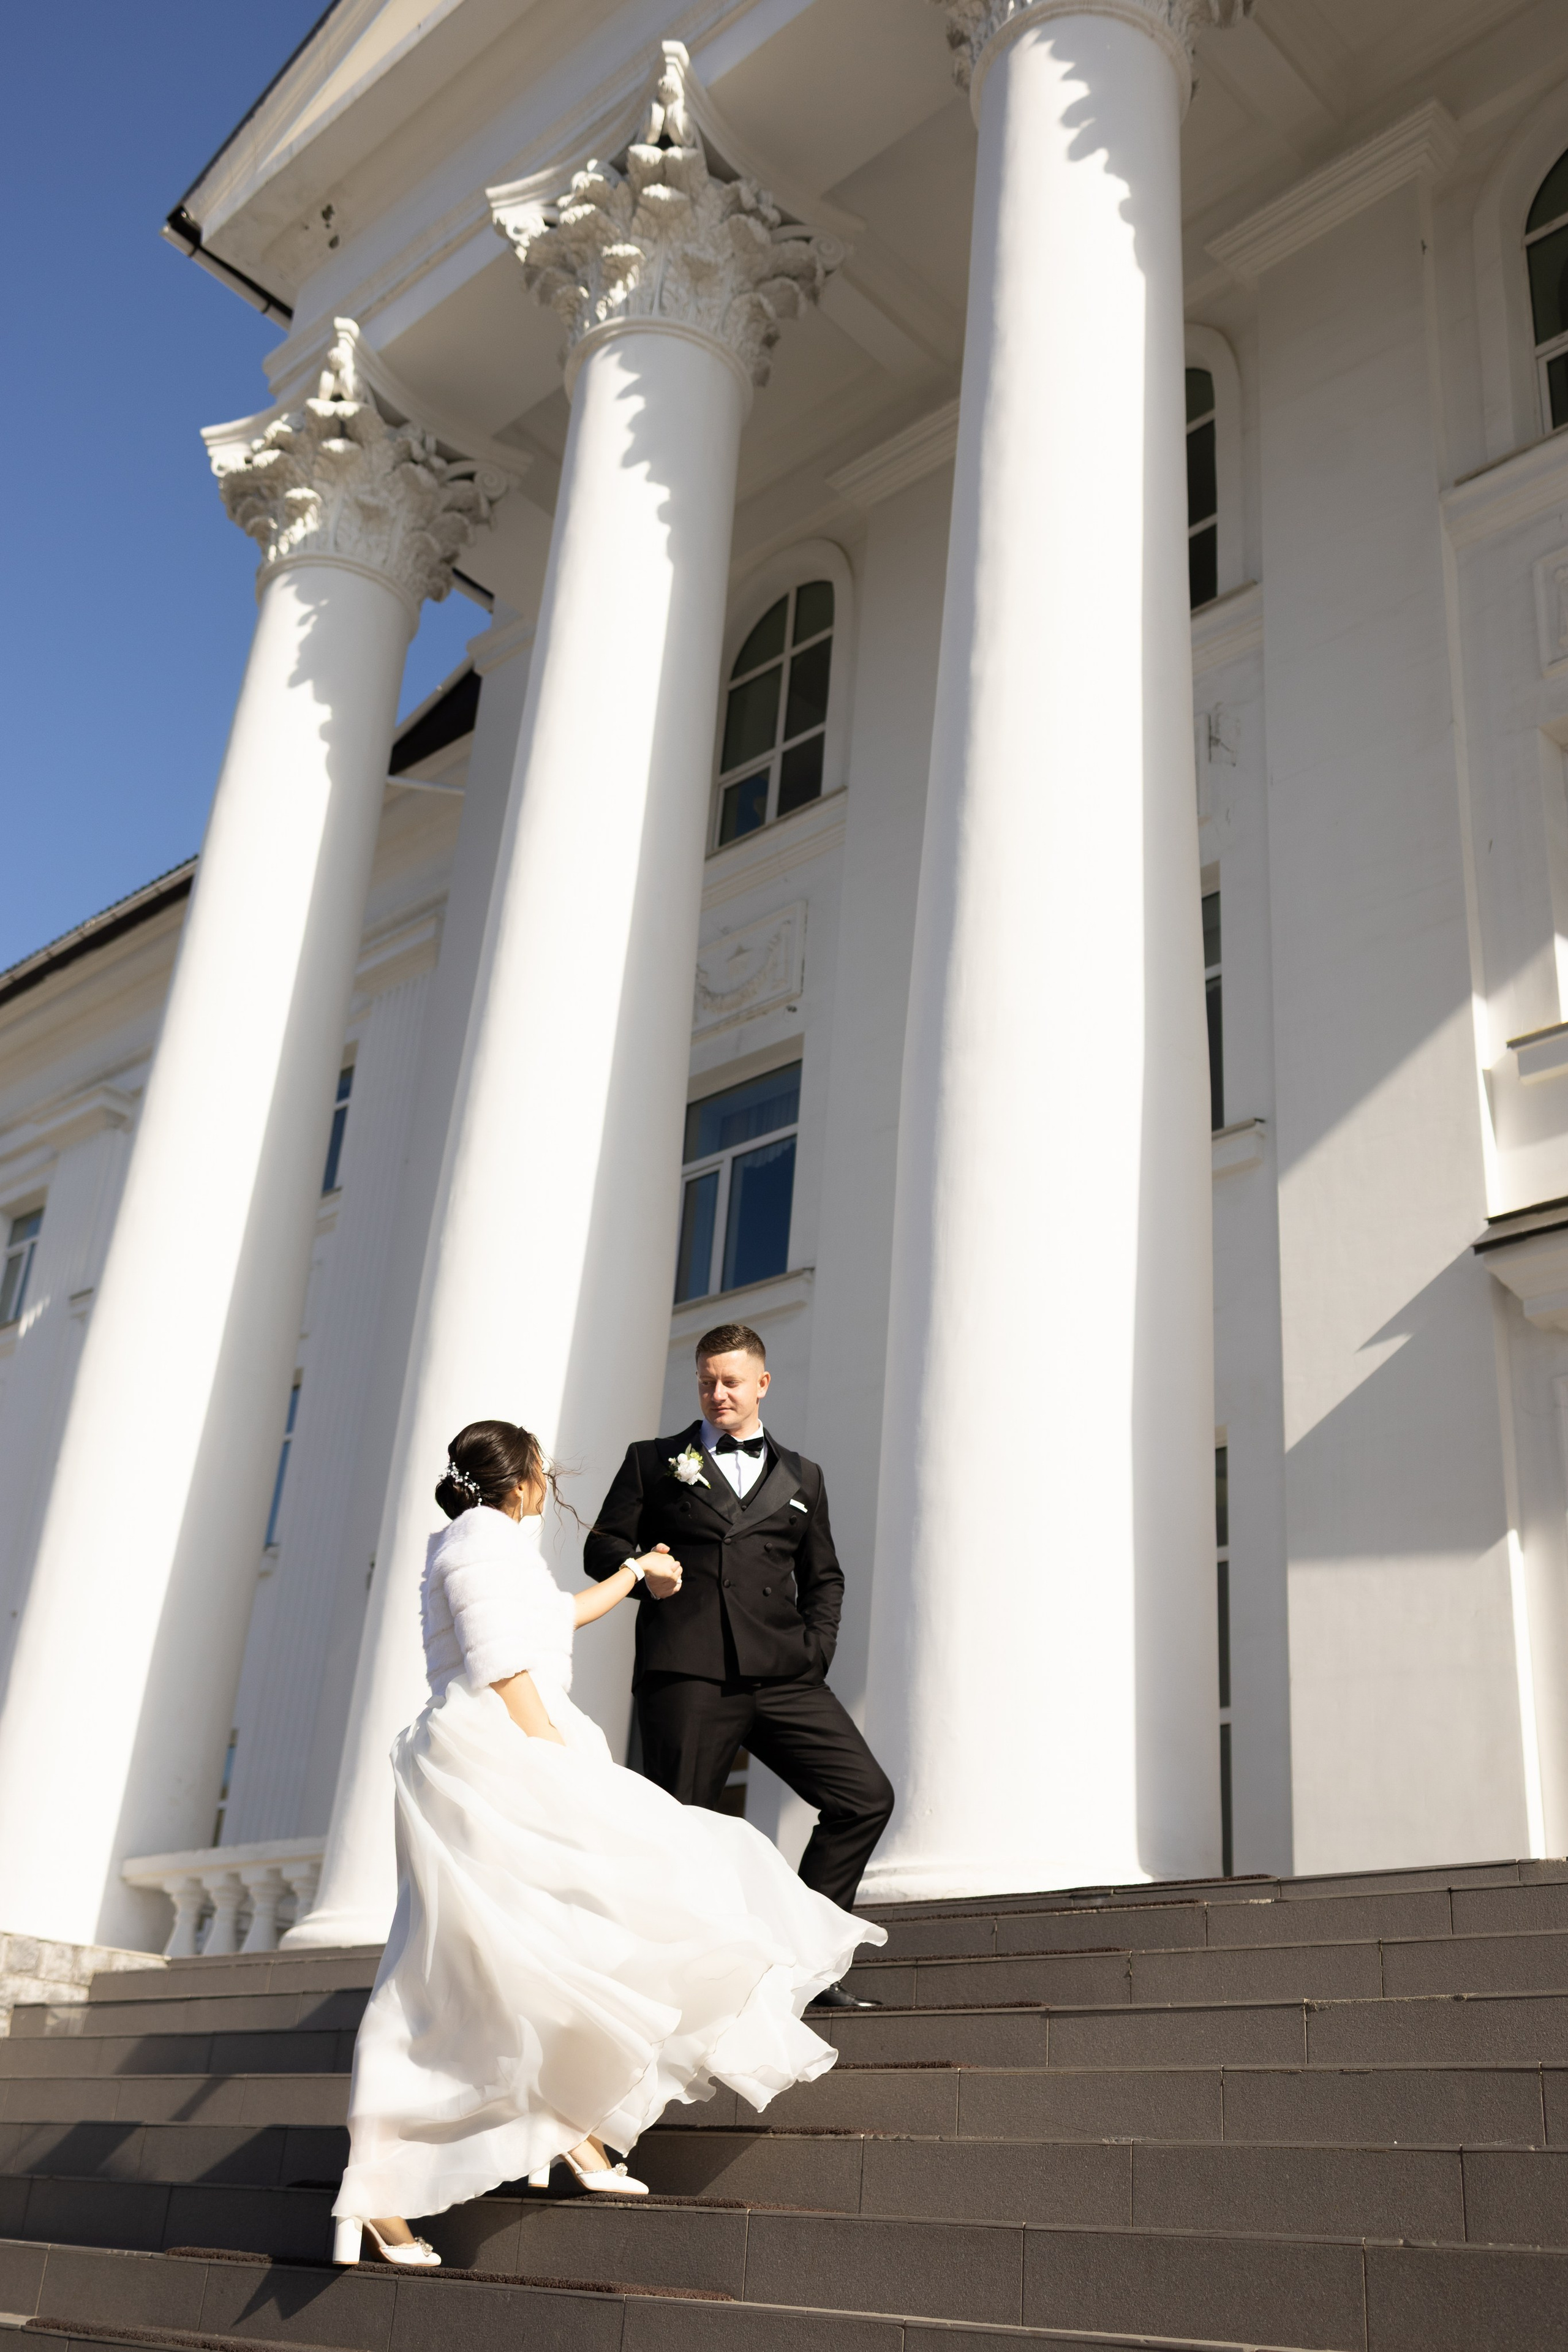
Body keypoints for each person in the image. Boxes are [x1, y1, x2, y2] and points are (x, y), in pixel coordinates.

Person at [332, 1417, 883, 2268]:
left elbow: (548, 1621)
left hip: (516, 1745)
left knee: (559, 1945)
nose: (550, 1484)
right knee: (458, 1965)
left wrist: (634, 1572)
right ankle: (380, 2192)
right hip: (496, 1759)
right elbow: (501, 1665)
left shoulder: (488, 1540)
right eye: (545, 1472)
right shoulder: (477, 1544)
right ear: (521, 1480)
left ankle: (568, 2129)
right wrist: (555, 1762)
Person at [586, 1322, 894, 2013]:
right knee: (679, 1830)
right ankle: (669, 1990)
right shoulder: (652, 1460)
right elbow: (601, 1545)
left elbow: (825, 1578)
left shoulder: (803, 1475)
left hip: (784, 1672)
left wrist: (816, 1649)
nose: (716, 1393)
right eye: (705, 1381)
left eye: (729, 1381)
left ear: (762, 1384)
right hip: (689, 1672)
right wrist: (641, 1569)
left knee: (863, 1797)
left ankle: (808, 1965)